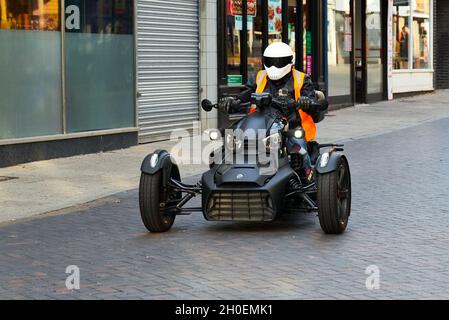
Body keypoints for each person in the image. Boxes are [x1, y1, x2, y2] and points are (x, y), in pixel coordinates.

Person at [219, 42, 321, 179]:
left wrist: (306, 101)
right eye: (270, 62)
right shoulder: (259, 77)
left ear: (290, 61)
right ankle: (227, 175)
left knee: (298, 147)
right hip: (261, 124)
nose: (274, 66)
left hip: (291, 126)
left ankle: (307, 177)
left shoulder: (301, 79)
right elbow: (245, 94)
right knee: (230, 142)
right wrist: (232, 100)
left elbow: (311, 100)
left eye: (279, 62)